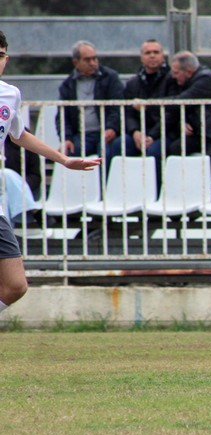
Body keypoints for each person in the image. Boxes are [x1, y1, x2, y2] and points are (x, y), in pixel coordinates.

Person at [0, 30, 101, 314]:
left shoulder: (10, 94)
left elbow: (19, 135)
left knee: (15, 285)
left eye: (1, 55)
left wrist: (64, 160)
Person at [166, 51, 211, 177]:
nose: (173, 76)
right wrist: (183, 122)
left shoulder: (207, 80)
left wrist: (149, 104)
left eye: (176, 73)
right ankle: (179, 184)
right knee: (175, 148)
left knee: (210, 161)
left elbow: (183, 101)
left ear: (188, 71)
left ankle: (206, 187)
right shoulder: (186, 82)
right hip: (201, 134)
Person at [108, 39, 178, 165]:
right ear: (141, 57)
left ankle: (157, 180)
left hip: (165, 133)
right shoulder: (133, 83)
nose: (152, 56)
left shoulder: (173, 80)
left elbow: (172, 114)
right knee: (119, 145)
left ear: (163, 56)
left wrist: (152, 136)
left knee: (155, 151)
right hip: (139, 132)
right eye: (148, 53)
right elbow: (128, 112)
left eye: (156, 52)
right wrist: (135, 132)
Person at [57, 40, 125, 158]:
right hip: (81, 135)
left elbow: (118, 106)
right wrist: (66, 138)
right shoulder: (67, 85)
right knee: (69, 154)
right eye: (87, 60)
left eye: (94, 58)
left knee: (106, 153)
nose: (93, 63)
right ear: (75, 62)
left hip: (105, 133)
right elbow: (62, 116)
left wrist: (112, 128)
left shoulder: (110, 78)